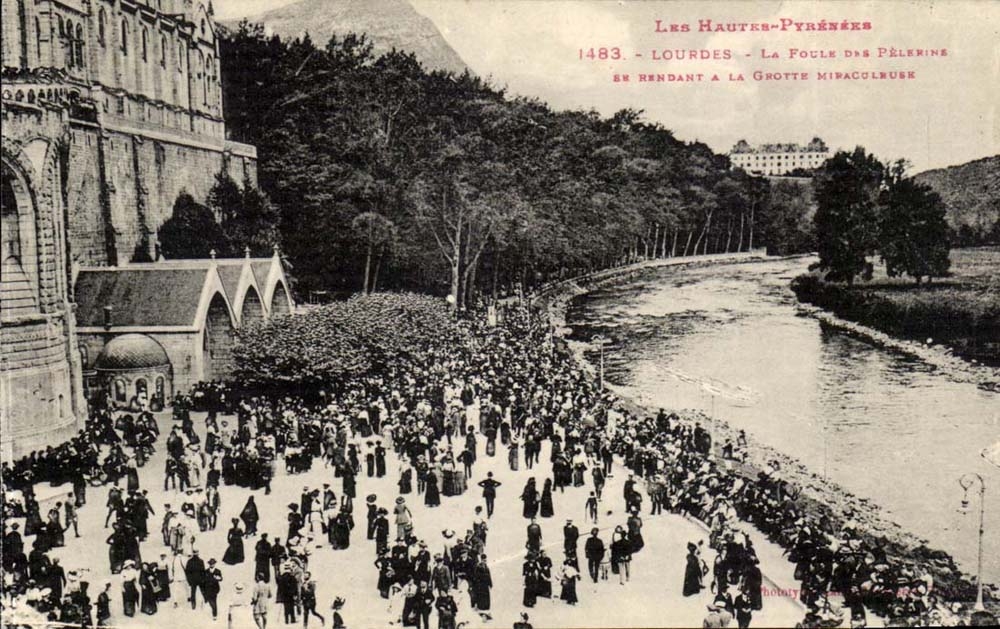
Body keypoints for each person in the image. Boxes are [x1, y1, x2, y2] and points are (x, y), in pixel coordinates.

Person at [470, 554, 493, 619]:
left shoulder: (486, 567)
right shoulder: (478, 567)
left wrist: (490, 584)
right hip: (480, 585)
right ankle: (481, 608)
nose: (484, 561)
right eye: (483, 560)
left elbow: (489, 576)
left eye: (485, 560)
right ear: (481, 560)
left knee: (486, 597)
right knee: (481, 597)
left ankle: (486, 608)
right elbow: (477, 576)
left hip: (485, 585)